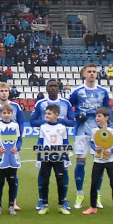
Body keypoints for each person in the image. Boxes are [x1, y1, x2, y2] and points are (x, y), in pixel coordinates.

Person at [69, 63, 111, 209]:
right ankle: (79, 194)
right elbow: (69, 109)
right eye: (89, 71)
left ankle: (97, 194)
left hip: (98, 132)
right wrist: (76, 115)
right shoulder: (77, 91)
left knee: (99, 162)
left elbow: (107, 109)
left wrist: (106, 122)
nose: (92, 74)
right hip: (81, 131)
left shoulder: (103, 91)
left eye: (94, 71)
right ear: (84, 73)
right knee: (80, 161)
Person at [30, 79, 75, 211]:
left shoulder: (66, 103)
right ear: (47, 88)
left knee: (63, 173)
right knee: (43, 174)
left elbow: (72, 121)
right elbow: (32, 121)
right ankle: (41, 200)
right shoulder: (40, 103)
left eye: (55, 86)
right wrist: (47, 123)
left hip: (60, 148)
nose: (53, 88)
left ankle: (63, 200)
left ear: (59, 88)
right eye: (51, 86)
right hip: (46, 148)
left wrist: (58, 122)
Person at [0, 82, 26, 212]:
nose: (4, 93)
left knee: (14, 171)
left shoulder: (16, 106)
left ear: (8, 92)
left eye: (6, 91)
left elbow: (21, 122)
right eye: (1, 91)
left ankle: (13, 202)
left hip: (11, 146)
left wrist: (19, 142)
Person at [82, 108, 113, 216]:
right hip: (98, 161)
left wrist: (112, 150)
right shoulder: (94, 130)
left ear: (106, 117)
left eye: (99, 116)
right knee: (94, 184)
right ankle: (93, 207)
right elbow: (91, 142)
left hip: (111, 161)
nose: (97, 118)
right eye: (96, 116)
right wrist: (95, 148)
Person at [35, 104, 70, 215]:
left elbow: (65, 141)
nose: (46, 115)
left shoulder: (62, 127)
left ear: (56, 115)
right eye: (46, 113)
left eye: (49, 113)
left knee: (60, 181)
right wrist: (39, 148)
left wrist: (67, 149)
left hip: (58, 156)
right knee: (45, 180)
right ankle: (45, 205)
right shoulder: (43, 127)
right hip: (46, 156)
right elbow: (40, 141)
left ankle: (61, 204)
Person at [0, 104, 22, 216]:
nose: (6, 115)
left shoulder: (15, 125)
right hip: (0, 157)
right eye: (4, 113)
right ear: (0, 114)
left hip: (13, 157)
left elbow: (19, 139)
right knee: (0, 181)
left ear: (12, 114)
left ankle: (11, 205)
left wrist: (17, 148)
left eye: (8, 113)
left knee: (12, 181)